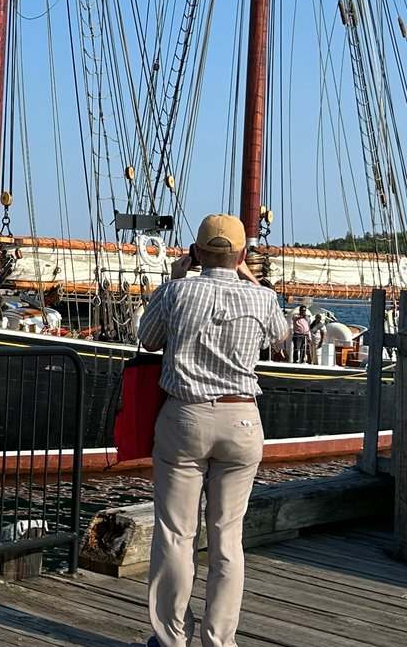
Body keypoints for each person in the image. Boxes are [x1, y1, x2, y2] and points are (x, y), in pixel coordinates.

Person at [137, 213, 289, 647]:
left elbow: (148, 340)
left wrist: (173, 279)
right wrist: (252, 282)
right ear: (242, 256)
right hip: (241, 420)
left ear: (196, 252)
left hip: (185, 417)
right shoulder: (262, 299)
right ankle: (219, 641)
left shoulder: (177, 292)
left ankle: (170, 639)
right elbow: (279, 338)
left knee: (176, 533)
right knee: (227, 537)